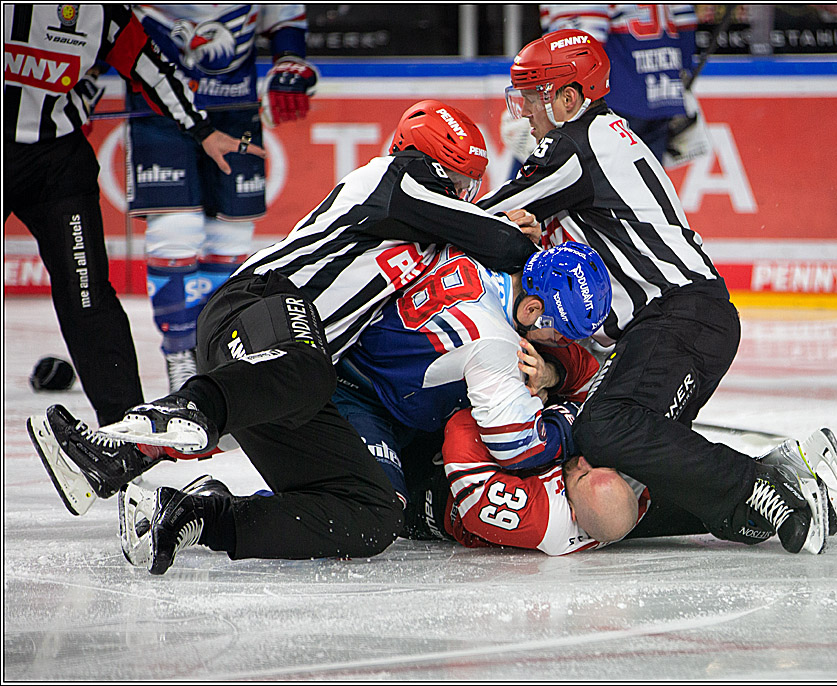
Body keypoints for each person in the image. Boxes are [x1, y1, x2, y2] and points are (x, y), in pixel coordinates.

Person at [26, 99, 541, 575]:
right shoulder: (387, 178)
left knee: (373, 511)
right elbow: (492, 238)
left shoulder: (425, 228)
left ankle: (196, 515)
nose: (461, 194)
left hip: (284, 368)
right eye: (456, 181)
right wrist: (518, 237)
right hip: (256, 306)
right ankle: (123, 444)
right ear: (423, 163)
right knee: (310, 369)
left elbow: (472, 240)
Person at [478, 29, 837, 555]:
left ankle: (756, 489)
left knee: (605, 428)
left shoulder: (573, 145)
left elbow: (485, 219)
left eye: (534, 97)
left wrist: (403, 216)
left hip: (678, 318)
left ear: (568, 98)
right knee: (619, 469)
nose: (525, 114)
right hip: (687, 321)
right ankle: (769, 497)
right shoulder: (603, 135)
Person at [4, 4, 264, 427]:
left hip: (56, 162)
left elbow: (155, 73)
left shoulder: (105, 14)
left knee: (86, 294)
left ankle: (128, 431)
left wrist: (203, 130)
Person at [126, 5, 317, 391]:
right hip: (160, 107)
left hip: (235, 107)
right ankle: (180, 354)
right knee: (176, 228)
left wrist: (290, 62)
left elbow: (286, 18)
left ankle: (217, 357)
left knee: (230, 237)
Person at [333, 241, 611, 505]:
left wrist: (551, 373)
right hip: (361, 401)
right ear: (532, 309)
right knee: (380, 509)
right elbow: (517, 447)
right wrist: (575, 420)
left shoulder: (484, 246)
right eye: (561, 336)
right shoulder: (498, 343)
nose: (563, 344)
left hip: (365, 364)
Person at [404, 408, 649, 555]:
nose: (584, 461)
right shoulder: (627, 496)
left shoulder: (545, 519)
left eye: (583, 475)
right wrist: (554, 373)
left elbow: (460, 429)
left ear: (573, 513)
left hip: (429, 494)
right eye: (601, 468)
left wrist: (507, 400)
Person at [539, 5, 706, 165]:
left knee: (598, 185)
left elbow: (580, 45)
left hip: (617, 97)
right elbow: (686, 23)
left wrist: (552, 99)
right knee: (645, 183)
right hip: (662, 93)